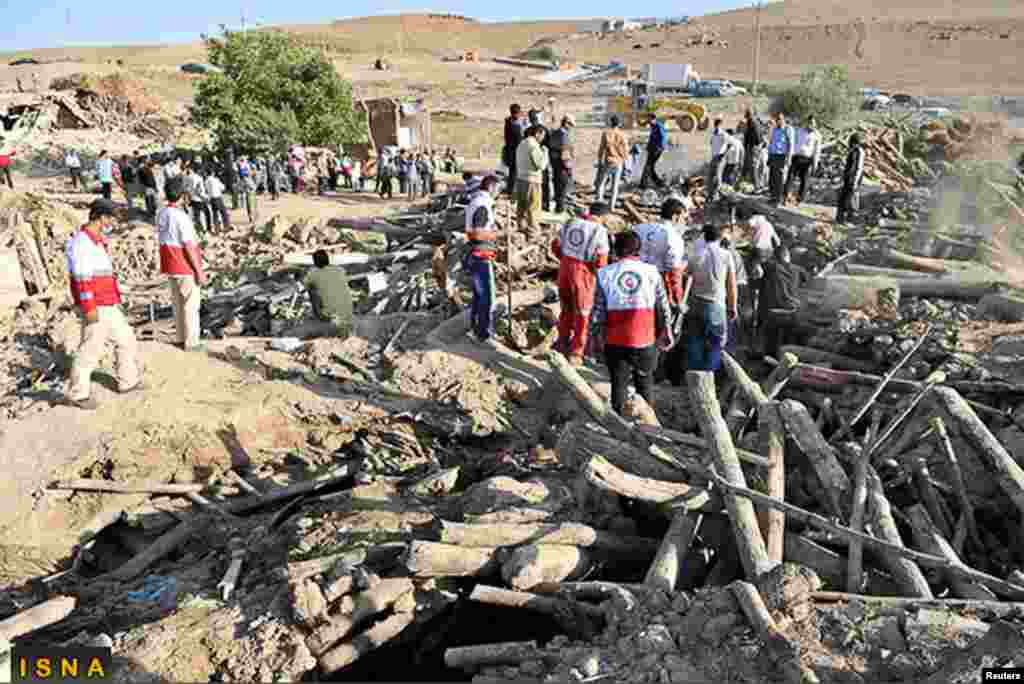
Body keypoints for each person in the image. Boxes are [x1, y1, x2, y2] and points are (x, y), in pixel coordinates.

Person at [65, 199, 142, 409]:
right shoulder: (81, 243)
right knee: (90, 349)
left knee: (125, 340)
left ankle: (128, 381)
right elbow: (81, 279)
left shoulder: (97, 241)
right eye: (111, 219)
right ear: (101, 218)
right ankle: (78, 393)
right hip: (97, 304)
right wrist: (89, 308)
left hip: (108, 301)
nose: (112, 223)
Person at [589, 230, 674, 415]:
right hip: (645, 338)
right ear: (639, 250)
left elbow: (597, 312)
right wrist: (666, 331)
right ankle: (648, 423)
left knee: (618, 384)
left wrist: (594, 337)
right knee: (644, 382)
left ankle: (618, 424)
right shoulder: (652, 272)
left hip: (615, 340)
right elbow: (663, 306)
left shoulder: (604, 274)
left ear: (615, 250)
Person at [550, 201, 612, 366]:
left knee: (566, 308)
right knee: (583, 314)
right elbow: (601, 262)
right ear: (603, 216)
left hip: (564, 269)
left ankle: (561, 343)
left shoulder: (571, 222)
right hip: (583, 273)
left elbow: (555, 245)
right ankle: (577, 351)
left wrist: (564, 259)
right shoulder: (600, 231)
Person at [156, 176, 206, 352]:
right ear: (183, 195)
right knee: (191, 305)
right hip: (184, 264)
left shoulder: (161, 213)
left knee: (177, 304)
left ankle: (179, 337)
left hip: (169, 263)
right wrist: (198, 270)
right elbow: (189, 245)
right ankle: (192, 342)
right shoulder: (181, 217)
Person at [681, 224, 737, 372]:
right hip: (716, 305)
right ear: (719, 238)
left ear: (704, 237)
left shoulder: (696, 255)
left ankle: (694, 378)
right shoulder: (726, 255)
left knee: (695, 341)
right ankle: (709, 375)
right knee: (716, 342)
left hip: (695, 303)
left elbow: (685, 275)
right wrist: (733, 306)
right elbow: (731, 285)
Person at [463, 175, 501, 345]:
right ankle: (484, 334)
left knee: (479, 295)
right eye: (498, 189)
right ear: (492, 188)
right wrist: (497, 234)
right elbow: (477, 234)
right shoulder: (483, 206)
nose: (499, 192)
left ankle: (475, 329)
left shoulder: (477, 202)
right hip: (480, 255)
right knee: (487, 295)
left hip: (479, 253)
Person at [758, 245, 809, 359]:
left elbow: (759, 265)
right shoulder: (798, 269)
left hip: (774, 311)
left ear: (774, 257)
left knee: (771, 340)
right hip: (793, 310)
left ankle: (769, 361)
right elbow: (808, 282)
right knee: (789, 341)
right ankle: (785, 362)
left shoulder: (771, 267)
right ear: (788, 256)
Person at [636, 198, 687, 310]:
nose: (684, 222)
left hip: (634, 279)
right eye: (684, 218)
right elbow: (674, 272)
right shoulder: (674, 237)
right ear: (675, 217)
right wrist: (679, 300)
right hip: (656, 285)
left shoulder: (639, 228)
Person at [301, 249, 354, 340]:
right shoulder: (339, 269)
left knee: (312, 289)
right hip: (348, 308)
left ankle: (321, 318)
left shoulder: (314, 272)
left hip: (330, 314)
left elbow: (304, 285)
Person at [515, 125, 549, 232]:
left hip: (521, 179)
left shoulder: (522, 143)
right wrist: (545, 152)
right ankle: (533, 232)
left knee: (521, 207)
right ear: (537, 133)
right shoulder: (533, 145)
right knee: (533, 208)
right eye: (543, 135)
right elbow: (541, 165)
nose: (543, 138)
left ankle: (521, 229)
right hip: (532, 180)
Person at [785, 115, 822, 205]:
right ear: (807, 122)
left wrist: (815, 164)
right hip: (796, 157)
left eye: (813, 123)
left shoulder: (817, 135)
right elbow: (792, 143)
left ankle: (799, 200)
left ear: (815, 124)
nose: (811, 124)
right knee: (790, 178)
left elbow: (817, 150)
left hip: (807, 160)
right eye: (809, 122)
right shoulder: (799, 131)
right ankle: (786, 197)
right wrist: (789, 156)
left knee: (805, 181)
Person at [595, 114, 628, 211]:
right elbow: (625, 150)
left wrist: (600, 160)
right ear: (619, 123)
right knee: (615, 186)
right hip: (618, 162)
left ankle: (599, 201)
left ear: (611, 122)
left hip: (608, 161)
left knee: (601, 183)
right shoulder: (622, 134)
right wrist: (623, 159)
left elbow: (601, 149)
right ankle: (611, 206)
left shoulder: (606, 133)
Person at [546, 115, 576, 214]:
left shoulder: (555, 133)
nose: (571, 128)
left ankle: (558, 209)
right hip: (562, 167)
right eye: (571, 125)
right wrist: (569, 168)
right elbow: (565, 155)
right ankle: (560, 211)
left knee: (557, 190)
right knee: (562, 192)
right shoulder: (564, 136)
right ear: (566, 123)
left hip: (555, 165)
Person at [707, 119, 739, 202]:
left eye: (718, 125)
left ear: (721, 125)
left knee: (718, 178)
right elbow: (711, 143)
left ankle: (718, 196)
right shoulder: (713, 134)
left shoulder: (724, 135)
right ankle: (711, 195)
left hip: (720, 158)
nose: (717, 126)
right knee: (710, 177)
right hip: (713, 157)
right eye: (716, 125)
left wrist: (724, 155)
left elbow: (732, 143)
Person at [836, 133, 865, 225]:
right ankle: (840, 218)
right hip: (848, 178)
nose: (851, 145)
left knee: (849, 199)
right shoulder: (853, 151)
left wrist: (855, 181)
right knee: (844, 198)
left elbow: (859, 168)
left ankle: (847, 219)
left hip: (854, 179)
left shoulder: (860, 151)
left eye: (852, 143)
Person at [767, 113, 795, 205]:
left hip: (782, 156)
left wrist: (789, 158)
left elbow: (791, 144)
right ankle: (773, 197)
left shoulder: (788, 129)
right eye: (777, 119)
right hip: (773, 156)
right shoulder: (775, 129)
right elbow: (771, 143)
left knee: (779, 179)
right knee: (772, 178)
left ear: (783, 119)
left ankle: (778, 199)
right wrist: (769, 156)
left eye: (780, 119)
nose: (778, 120)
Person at [528, 109, 552, 211]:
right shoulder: (543, 130)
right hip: (540, 161)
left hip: (534, 161)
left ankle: (540, 205)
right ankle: (543, 205)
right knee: (543, 184)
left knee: (538, 184)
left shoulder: (529, 131)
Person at [639, 112, 667, 190]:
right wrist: (640, 122)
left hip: (656, 150)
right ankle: (659, 182)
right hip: (651, 149)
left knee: (648, 167)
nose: (648, 120)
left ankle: (643, 185)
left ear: (653, 118)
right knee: (650, 167)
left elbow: (663, 138)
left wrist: (661, 150)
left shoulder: (659, 126)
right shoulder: (652, 124)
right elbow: (643, 124)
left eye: (649, 119)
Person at [503, 104, 526, 195]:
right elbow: (518, 140)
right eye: (519, 113)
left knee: (513, 172)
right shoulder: (514, 125)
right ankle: (511, 190)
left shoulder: (509, 121)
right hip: (514, 151)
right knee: (514, 172)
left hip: (510, 151)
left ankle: (511, 189)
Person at [186, 164, 211, 234]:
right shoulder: (199, 178)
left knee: (196, 215)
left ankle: (198, 230)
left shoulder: (188, 177)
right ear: (198, 170)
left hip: (192, 198)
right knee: (206, 214)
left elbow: (187, 188)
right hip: (200, 199)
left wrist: (189, 196)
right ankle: (206, 229)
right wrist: (205, 198)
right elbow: (199, 191)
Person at [741, 109, 763, 185]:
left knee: (753, 166)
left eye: (747, 115)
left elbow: (757, 136)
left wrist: (752, 145)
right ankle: (750, 183)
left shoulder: (753, 122)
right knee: (749, 166)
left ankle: (756, 185)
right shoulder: (753, 122)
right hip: (752, 146)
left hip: (753, 147)